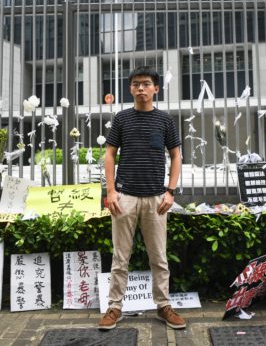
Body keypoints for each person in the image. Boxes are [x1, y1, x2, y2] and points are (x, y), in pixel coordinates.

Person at [98, 65, 186, 331]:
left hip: (156, 199)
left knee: (159, 257)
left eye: (146, 84)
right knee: (120, 257)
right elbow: (110, 154)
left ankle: (163, 306)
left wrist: (170, 191)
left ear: (156, 88)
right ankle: (114, 308)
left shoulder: (165, 120)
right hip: (124, 196)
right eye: (136, 84)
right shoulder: (122, 118)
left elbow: (176, 155)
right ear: (130, 88)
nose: (141, 88)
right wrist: (111, 191)